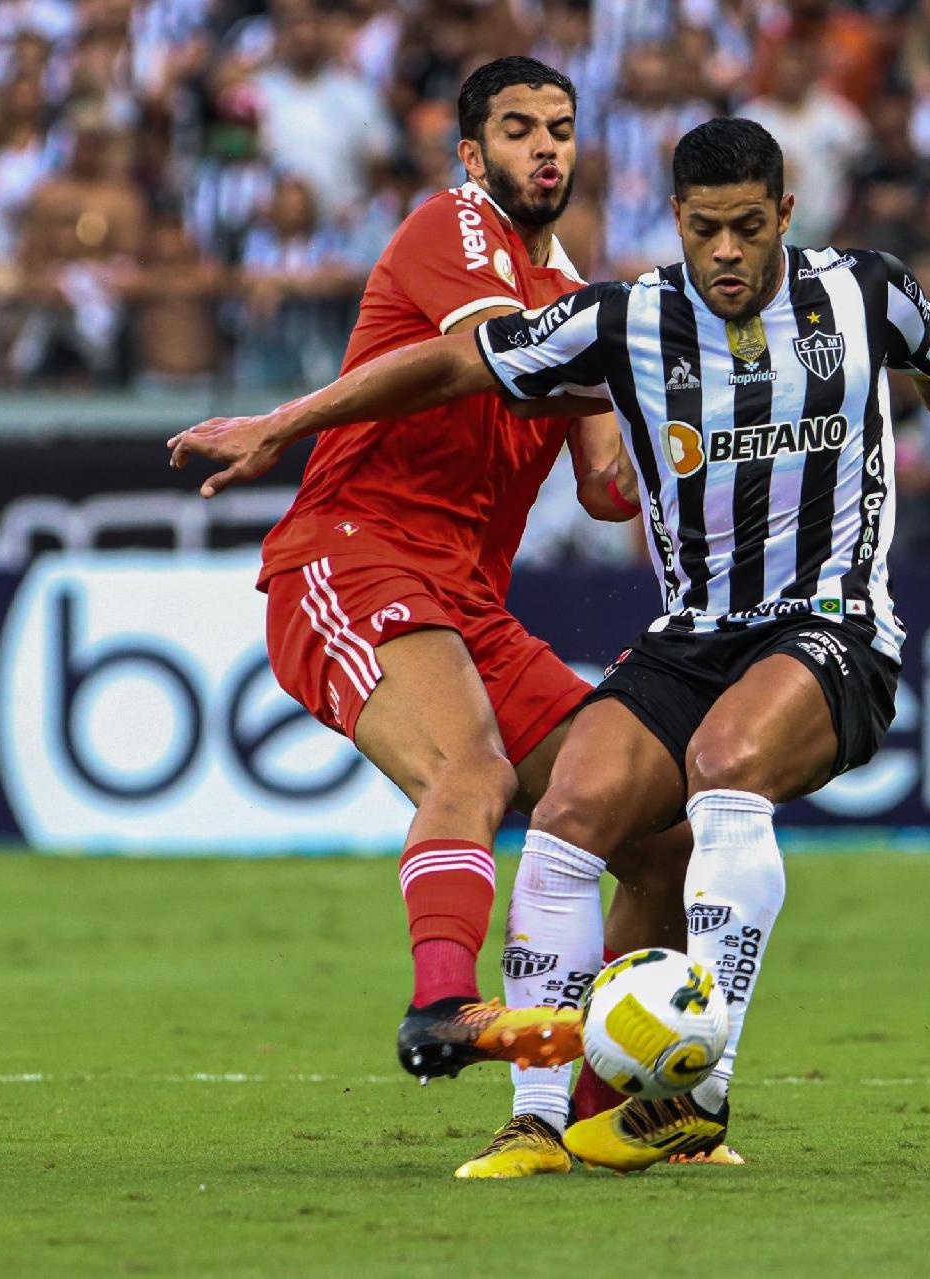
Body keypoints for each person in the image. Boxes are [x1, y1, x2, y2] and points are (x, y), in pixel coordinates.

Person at [173, 116, 930, 1171]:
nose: (725, 253)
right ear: (676, 221)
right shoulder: (623, 320)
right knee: (574, 809)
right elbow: (444, 367)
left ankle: (697, 1093)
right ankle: (537, 1118)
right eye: (705, 229)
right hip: (689, 635)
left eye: (748, 228)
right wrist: (285, 423)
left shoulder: (865, 291)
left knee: (723, 765)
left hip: (832, 624)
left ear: (784, 216)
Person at [170, 56, 697, 1179]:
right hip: (353, 554)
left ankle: (591, 1112)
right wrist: (287, 422)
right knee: (476, 767)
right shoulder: (453, 227)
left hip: (468, 599)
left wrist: (695, 433)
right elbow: (486, 362)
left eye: (560, 128)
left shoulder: (584, 304)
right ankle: (442, 1006)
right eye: (518, 130)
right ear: (474, 155)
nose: (545, 148)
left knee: (659, 827)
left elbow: (606, 486)